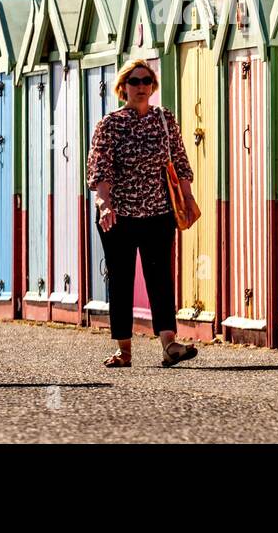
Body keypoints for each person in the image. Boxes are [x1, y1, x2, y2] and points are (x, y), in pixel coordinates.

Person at [86, 59, 198, 369]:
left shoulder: (164, 120)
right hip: (119, 216)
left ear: (153, 85)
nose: (141, 86)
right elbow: (100, 169)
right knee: (121, 279)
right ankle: (124, 350)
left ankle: (169, 344)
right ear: (122, 87)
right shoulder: (110, 124)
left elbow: (179, 161)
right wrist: (105, 204)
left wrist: (187, 198)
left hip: (159, 213)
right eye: (134, 81)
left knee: (160, 276)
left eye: (146, 80)